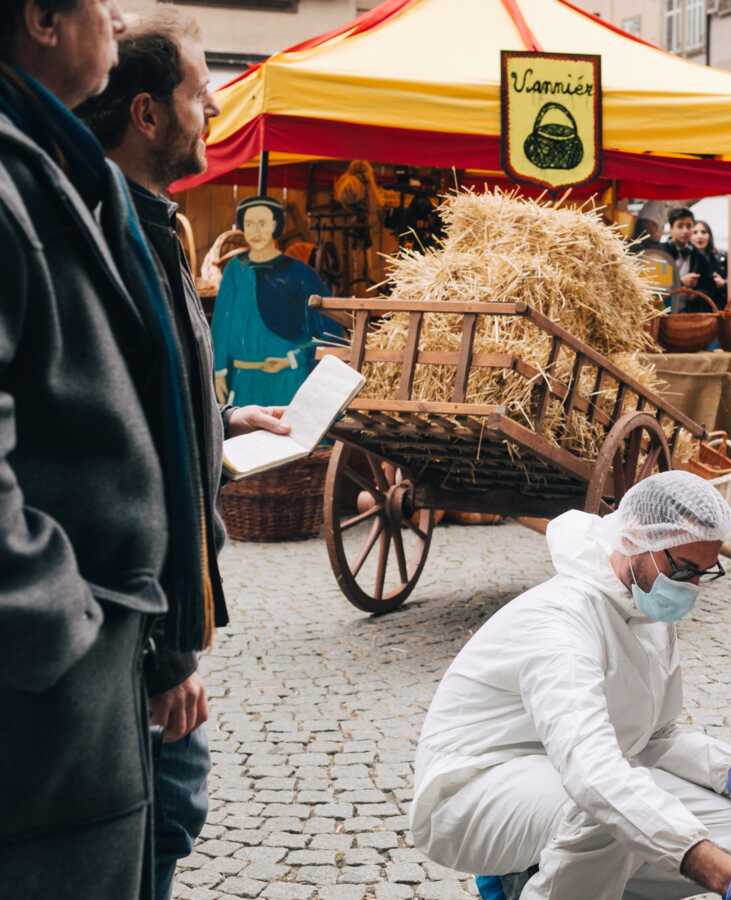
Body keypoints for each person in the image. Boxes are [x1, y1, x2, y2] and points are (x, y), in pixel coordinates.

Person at [76, 11, 293, 898]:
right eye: (198, 93)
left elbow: (151, 395)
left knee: (168, 815)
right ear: (147, 115)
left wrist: (225, 421)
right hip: (135, 628)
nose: (211, 109)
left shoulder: (159, 228)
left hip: (156, 621)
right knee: (160, 818)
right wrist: (166, 657)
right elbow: (103, 458)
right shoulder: (106, 234)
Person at [0, 1, 206, 897]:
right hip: (60, 703)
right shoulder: (19, 183)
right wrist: (81, 637)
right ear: (43, 20)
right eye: (97, 0)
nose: (116, 18)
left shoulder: (51, 171)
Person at [411, 471, 731, 900]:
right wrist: (726, 879)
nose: (691, 588)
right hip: (474, 787)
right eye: (684, 569)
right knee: (602, 813)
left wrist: (726, 768)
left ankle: (546, 876)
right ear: (637, 541)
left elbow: (652, 736)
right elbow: (592, 771)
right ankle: (526, 878)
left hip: (561, 779)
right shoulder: (560, 621)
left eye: (703, 574)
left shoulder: (648, 610)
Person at [210, 193, 332, 407]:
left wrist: (293, 359)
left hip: (287, 383)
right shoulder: (234, 271)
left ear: (276, 225)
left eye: (262, 223)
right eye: (249, 224)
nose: (255, 231)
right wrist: (219, 370)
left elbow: (329, 331)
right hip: (244, 384)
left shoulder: (301, 275)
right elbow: (221, 323)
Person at [659, 205, 720, 310]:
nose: (685, 231)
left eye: (689, 226)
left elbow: (710, 285)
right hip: (663, 311)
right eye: (680, 226)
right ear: (671, 229)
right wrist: (681, 282)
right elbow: (657, 284)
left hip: (688, 313)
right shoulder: (661, 252)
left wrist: (697, 293)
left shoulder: (698, 255)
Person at [692, 219, 728, 309]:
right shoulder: (687, 258)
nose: (699, 236)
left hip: (716, 308)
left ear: (709, 235)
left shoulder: (721, 258)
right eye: (695, 232)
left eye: (703, 232)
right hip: (692, 310)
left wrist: (724, 283)